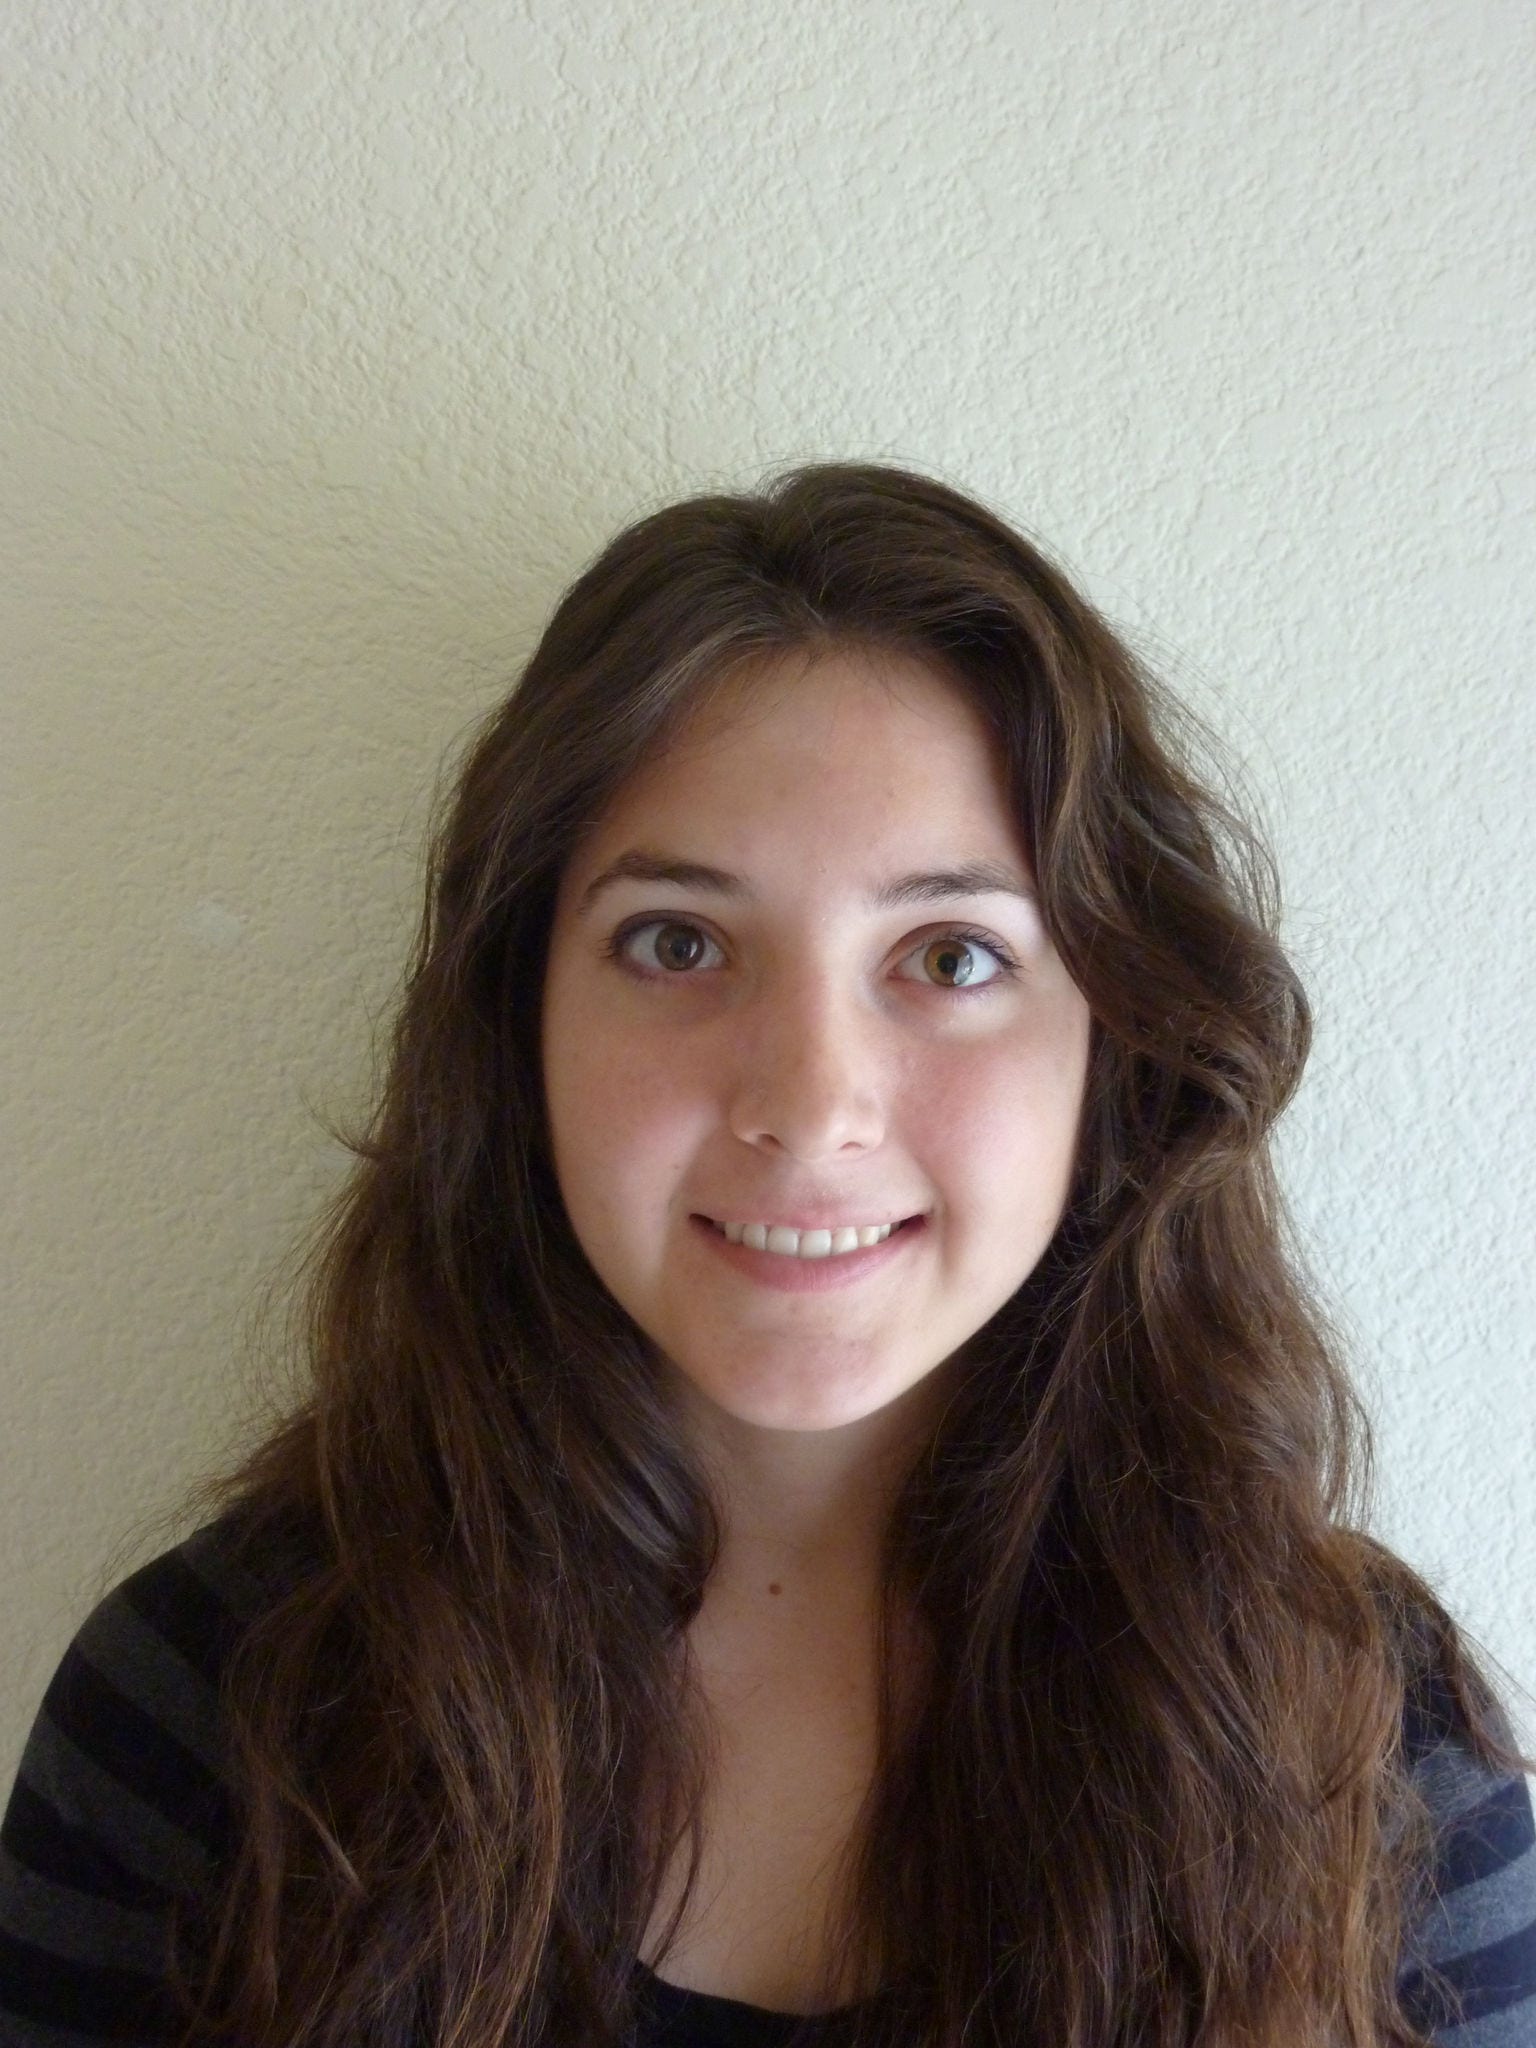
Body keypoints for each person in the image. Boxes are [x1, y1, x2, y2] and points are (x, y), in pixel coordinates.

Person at [2, 462, 1533, 2048]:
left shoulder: (1366, 1765)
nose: (809, 1109)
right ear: (517, 1023)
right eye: (678, 943)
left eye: (951, 957)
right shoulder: (199, 1718)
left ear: (1117, 1039)